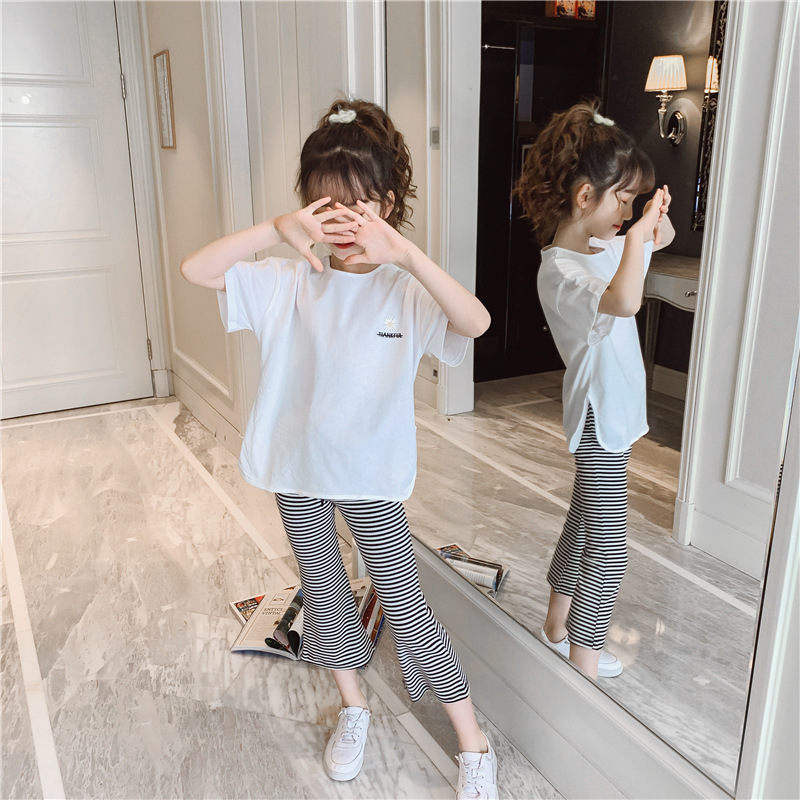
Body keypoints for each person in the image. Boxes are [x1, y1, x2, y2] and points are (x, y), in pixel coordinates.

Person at [181, 98, 498, 799]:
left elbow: (474, 322)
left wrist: (406, 254)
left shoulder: (404, 291)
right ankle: (353, 706)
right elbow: (196, 270)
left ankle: (472, 740)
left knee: (406, 608)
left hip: (370, 476)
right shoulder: (288, 281)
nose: (345, 225)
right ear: (307, 208)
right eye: (327, 208)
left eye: (362, 208)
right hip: (297, 471)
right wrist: (275, 230)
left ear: (388, 205)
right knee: (325, 597)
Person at [514, 100, 674, 681]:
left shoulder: (602, 247)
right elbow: (625, 300)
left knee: (584, 522)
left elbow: (662, 235)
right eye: (622, 200)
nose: (628, 214)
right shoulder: (561, 271)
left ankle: (557, 626)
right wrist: (636, 237)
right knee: (607, 546)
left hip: (616, 409)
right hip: (598, 415)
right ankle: (583, 662)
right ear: (586, 197)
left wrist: (650, 215)